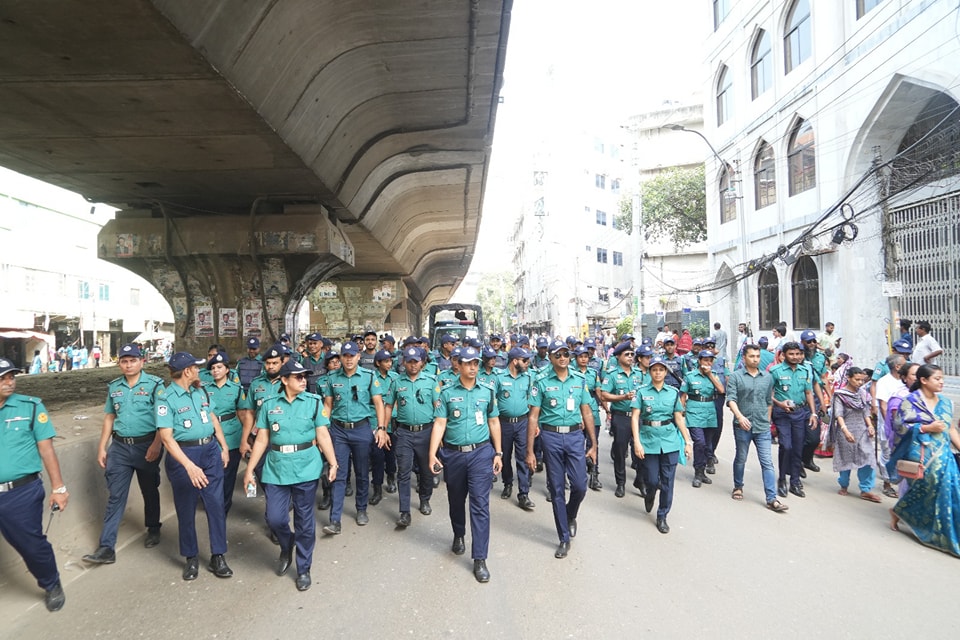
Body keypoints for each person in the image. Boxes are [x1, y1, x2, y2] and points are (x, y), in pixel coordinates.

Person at [243, 360, 338, 591]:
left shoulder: (314, 403)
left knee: (305, 521)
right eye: (298, 377)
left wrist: (333, 463)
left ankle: (304, 568)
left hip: (306, 467)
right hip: (276, 468)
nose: (304, 380)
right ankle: (287, 546)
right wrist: (249, 470)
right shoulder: (268, 405)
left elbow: (323, 436)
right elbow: (263, 439)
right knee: (275, 518)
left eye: (305, 376)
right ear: (284, 380)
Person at [83, 344, 165, 566]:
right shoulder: (114, 387)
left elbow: (163, 418)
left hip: (147, 444)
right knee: (116, 495)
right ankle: (106, 547)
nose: (128, 365)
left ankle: (154, 527)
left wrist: (157, 444)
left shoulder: (155, 385)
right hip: (119, 447)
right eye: (124, 361)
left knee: (149, 488)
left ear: (142, 361)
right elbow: (109, 417)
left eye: (132, 360)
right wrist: (103, 447)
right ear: (119, 363)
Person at [156, 352, 233, 581]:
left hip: (210, 451)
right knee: (186, 507)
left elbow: (212, 418)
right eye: (196, 367)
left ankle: (218, 555)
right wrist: (189, 466)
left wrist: (224, 445)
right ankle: (190, 557)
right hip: (183, 455)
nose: (200, 370)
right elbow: (167, 438)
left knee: (216, 504)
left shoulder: (201, 391)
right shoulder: (166, 398)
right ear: (187, 371)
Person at [428, 346, 503, 583]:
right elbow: (440, 424)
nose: (472, 367)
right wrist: (432, 455)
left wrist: (498, 453)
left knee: (480, 505)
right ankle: (458, 533)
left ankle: (480, 558)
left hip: (481, 453)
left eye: (475, 363)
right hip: (454, 455)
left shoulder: (487, 391)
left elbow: (493, 421)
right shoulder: (447, 393)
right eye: (468, 363)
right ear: (458, 365)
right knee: (456, 499)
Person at [0, 357, 69, 611]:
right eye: (3, 378)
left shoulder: (30, 407)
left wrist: (59, 488)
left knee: (30, 544)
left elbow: (47, 450)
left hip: (21, 492)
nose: (10, 382)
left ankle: (51, 583)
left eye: (11, 376)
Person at [526, 339, 597, 559]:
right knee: (557, 488)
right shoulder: (541, 381)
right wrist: (530, 451)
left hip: (575, 436)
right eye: (558, 355)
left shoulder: (579, 380)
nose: (563, 358)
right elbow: (533, 417)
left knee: (580, 486)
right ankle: (563, 537)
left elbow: (586, 412)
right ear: (551, 358)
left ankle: (570, 514)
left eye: (566, 354)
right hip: (551, 437)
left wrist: (593, 444)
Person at [888, 365, 960, 557]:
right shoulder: (910, 402)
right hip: (919, 453)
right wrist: (926, 428)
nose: (942, 382)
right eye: (937, 378)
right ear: (924, 380)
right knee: (927, 490)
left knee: (950, 492)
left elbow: (950, 428)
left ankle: (944, 533)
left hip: (943, 454)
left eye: (942, 378)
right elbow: (899, 427)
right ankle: (906, 515)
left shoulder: (945, 402)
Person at [321, 341, 388, 534]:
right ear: (340, 358)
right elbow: (327, 405)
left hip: (361, 429)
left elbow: (378, 403)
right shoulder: (332, 378)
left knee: (361, 472)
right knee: (338, 473)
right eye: (345, 356)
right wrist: (323, 429)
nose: (349, 359)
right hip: (339, 430)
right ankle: (335, 519)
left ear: (358, 357)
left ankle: (361, 509)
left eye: (352, 356)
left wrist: (381, 428)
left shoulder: (368, 376)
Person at [630, 356, 693, 534]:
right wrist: (637, 442)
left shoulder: (673, 392)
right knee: (651, 479)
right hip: (648, 439)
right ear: (650, 372)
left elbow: (679, 418)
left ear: (665, 372)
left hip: (669, 440)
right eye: (654, 370)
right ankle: (650, 494)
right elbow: (635, 417)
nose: (657, 373)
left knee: (667, 481)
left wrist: (687, 441)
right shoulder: (641, 391)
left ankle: (662, 514)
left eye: (661, 370)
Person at [726, 344, 786, 511]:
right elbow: (731, 399)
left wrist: (767, 421)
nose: (755, 359)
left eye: (758, 356)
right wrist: (739, 417)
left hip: (762, 427)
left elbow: (769, 401)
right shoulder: (736, 377)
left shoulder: (767, 377)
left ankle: (772, 498)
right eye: (752, 356)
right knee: (741, 458)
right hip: (742, 426)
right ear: (744, 358)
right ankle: (738, 486)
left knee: (767, 462)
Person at [392, 346, 440, 527]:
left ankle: (425, 499)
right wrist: (383, 429)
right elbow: (389, 406)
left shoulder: (431, 381)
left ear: (422, 362)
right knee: (403, 472)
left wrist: (439, 434)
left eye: (416, 361)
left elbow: (438, 407)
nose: (412, 365)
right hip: (404, 432)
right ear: (404, 362)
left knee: (426, 470)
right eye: (409, 361)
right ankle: (404, 511)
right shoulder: (397, 382)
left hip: (426, 432)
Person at [770, 342, 818, 499]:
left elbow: (809, 392)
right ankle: (782, 479)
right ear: (784, 355)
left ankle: (795, 481)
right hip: (782, 413)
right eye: (791, 354)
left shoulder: (805, 370)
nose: (795, 357)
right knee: (786, 446)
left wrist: (813, 413)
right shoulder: (775, 371)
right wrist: (779, 404)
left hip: (800, 413)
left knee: (798, 447)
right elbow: (767, 394)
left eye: (798, 354)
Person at [202, 351, 246, 515]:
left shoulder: (236, 389)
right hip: (211, 437)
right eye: (213, 368)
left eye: (219, 367)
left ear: (227, 369)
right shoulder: (204, 390)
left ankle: (223, 508)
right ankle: (213, 506)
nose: (216, 370)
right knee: (211, 475)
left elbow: (242, 413)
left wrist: (246, 438)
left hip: (232, 435)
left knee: (228, 476)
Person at [600, 341, 645, 498]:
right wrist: (623, 397)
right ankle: (620, 483)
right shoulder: (612, 375)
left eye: (632, 354)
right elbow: (604, 395)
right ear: (618, 356)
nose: (630, 357)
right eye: (627, 354)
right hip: (620, 418)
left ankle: (640, 480)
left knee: (640, 449)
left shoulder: (639, 374)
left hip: (637, 418)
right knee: (620, 451)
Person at [829, 367, 881, 502]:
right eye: (857, 380)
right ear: (848, 378)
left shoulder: (863, 394)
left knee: (868, 457)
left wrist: (870, 426)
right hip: (846, 430)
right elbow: (838, 414)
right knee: (846, 458)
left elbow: (865, 411)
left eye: (862, 380)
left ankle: (866, 489)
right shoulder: (840, 394)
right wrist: (845, 431)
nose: (859, 383)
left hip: (862, 430)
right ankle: (844, 485)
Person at [495, 346, 535, 510]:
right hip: (503, 423)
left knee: (523, 457)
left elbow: (532, 402)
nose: (527, 363)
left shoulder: (528, 378)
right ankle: (507, 483)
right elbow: (493, 400)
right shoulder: (499, 378)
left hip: (522, 422)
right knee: (504, 456)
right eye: (524, 360)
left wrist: (534, 424)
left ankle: (523, 493)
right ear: (514, 361)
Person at [680, 349, 724, 488]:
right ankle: (698, 472)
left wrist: (710, 374)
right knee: (699, 441)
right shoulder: (690, 376)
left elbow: (721, 390)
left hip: (710, 411)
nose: (708, 363)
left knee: (708, 444)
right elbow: (683, 395)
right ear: (699, 361)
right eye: (705, 360)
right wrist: (681, 412)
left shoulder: (714, 375)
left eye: (710, 360)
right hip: (694, 410)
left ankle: (703, 471)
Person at [369, 349, 399, 504]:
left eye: (390, 361)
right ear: (378, 363)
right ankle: (377, 488)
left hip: (393, 422)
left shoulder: (395, 377)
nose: (389, 363)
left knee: (391, 454)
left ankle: (391, 477)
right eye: (385, 361)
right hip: (377, 423)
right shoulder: (371, 378)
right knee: (377, 456)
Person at [574, 345, 604, 490]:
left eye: (586, 356)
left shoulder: (593, 373)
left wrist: (606, 408)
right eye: (581, 356)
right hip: (576, 410)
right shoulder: (571, 373)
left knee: (593, 442)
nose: (584, 359)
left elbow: (599, 392)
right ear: (576, 358)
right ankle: (578, 474)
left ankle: (594, 475)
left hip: (592, 410)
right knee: (578, 444)